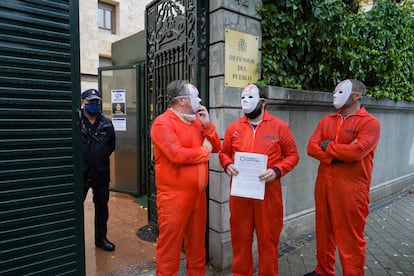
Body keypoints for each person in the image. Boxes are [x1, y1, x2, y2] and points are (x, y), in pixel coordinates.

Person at [219, 84, 299, 275]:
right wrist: (227, 164)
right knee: (240, 243)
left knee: (268, 243)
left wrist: (278, 170)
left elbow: (293, 156)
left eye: (250, 98)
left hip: (268, 197)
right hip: (240, 197)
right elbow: (223, 153)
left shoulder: (280, 127)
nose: (245, 102)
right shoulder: (233, 128)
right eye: (243, 98)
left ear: (264, 102)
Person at [305, 79, 381, 276]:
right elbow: (311, 147)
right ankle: (323, 271)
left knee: (350, 238)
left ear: (357, 96)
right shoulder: (327, 120)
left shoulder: (370, 123)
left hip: (352, 190)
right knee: (323, 232)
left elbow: (358, 152)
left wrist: (327, 146)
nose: (336, 93)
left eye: (342, 90)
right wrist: (339, 156)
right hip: (324, 184)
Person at [150, 80, 220, 274]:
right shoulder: (162, 123)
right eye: (194, 96)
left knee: (197, 244)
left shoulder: (197, 120)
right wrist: (204, 151)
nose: (199, 100)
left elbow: (217, 147)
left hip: (198, 196)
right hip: (174, 197)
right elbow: (177, 154)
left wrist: (208, 126)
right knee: (170, 247)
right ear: (181, 100)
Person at [81, 88, 116, 252]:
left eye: (97, 102)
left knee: (102, 208)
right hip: (81, 173)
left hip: (101, 173)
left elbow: (111, 147)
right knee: (74, 207)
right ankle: (73, 241)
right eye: (91, 102)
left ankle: (101, 239)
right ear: (83, 103)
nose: (94, 105)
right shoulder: (76, 122)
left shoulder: (107, 123)